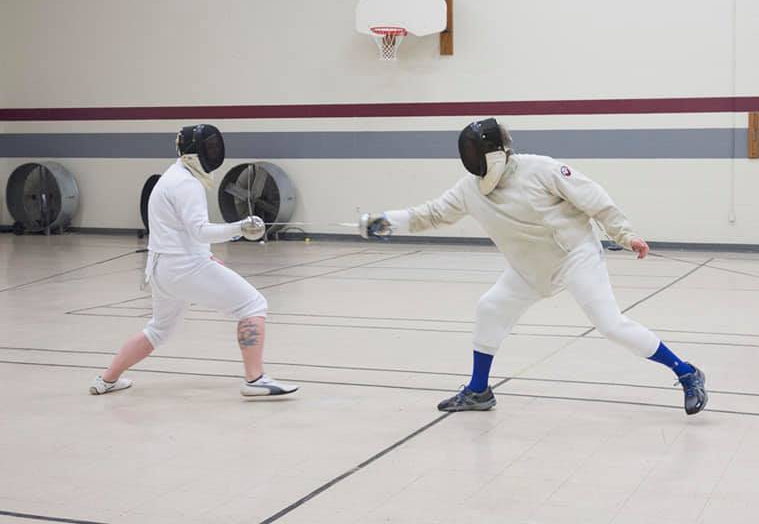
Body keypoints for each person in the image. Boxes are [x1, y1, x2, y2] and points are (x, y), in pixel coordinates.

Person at [360, 118, 706, 414]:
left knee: (610, 324)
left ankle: (687, 372)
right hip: (529, 269)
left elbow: (596, 200)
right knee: (491, 308)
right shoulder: (470, 190)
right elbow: (431, 214)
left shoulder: (541, 169)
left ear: (494, 153)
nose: (470, 161)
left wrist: (625, 235)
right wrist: (387, 221)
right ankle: (479, 392)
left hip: (575, 257)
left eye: (475, 154)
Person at [90, 124, 298, 398]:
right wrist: (240, 227)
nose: (213, 153)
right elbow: (199, 230)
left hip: (162, 269)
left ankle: (107, 379)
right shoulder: (186, 183)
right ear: (195, 152)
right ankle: (254, 379)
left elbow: (179, 231)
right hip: (184, 268)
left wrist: (207, 255)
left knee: (158, 329)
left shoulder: (173, 176)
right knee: (252, 305)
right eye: (209, 148)